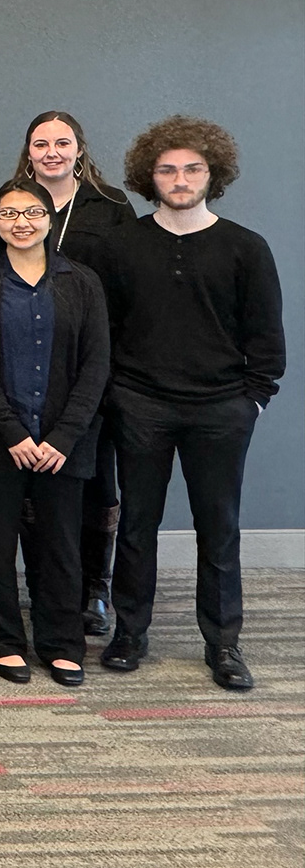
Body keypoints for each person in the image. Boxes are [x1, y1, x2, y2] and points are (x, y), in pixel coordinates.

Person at [95, 117, 284, 690]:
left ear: (212, 174)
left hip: (222, 409)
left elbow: (265, 336)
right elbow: (104, 331)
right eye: (167, 170)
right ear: (148, 177)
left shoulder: (246, 247)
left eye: (192, 169)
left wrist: (252, 401)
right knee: (137, 526)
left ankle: (223, 644)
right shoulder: (119, 246)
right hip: (140, 405)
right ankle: (130, 632)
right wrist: (117, 397)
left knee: (219, 529)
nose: (180, 180)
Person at [0, 181, 111, 687]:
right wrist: (12, 431)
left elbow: (96, 364)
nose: (21, 222)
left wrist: (63, 437)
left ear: (48, 218)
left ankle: (61, 644)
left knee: (61, 547)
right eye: (9, 214)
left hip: (64, 443)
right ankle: (2, 641)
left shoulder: (82, 281)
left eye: (32, 212)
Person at [9, 111, 135, 634]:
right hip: (25, 366)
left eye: (62, 143)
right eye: (41, 144)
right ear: (29, 151)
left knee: (95, 480)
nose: (52, 153)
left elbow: (129, 285)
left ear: (79, 148)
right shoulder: (14, 200)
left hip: (91, 364)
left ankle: (94, 590)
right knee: (32, 484)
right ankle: (46, 586)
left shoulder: (111, 206)